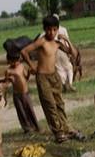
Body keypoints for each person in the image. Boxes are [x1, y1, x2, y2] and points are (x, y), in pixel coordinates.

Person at [21, 15, 84, 143]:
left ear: (57, 29)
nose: (52, 32)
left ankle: (66, 128)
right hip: (42, 77)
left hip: (54, 76)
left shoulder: (57, 43)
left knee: (59, 103)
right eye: (49, 29)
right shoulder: (42, 41)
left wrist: (66, 39)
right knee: (49, 105)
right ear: (44, 29)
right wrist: (32, 65)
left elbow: (74, 53)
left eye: (54, 29)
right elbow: (24, 51)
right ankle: (58, 132)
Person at [7, 51, 41, 133]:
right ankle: (27, 128)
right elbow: (6, 83)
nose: (15, 63)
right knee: (21, 111)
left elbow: (26, 78)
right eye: (13, 61)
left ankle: (36, 126)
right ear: (8, 61)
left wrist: (29, 72)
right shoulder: (8, 71)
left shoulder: (21, 67)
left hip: (25, 93)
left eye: (17, 61)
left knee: (29, 109)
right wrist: (10, 80)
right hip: (16, 94)